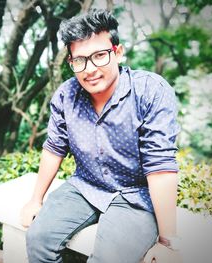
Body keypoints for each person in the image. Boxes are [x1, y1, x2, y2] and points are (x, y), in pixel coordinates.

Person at [21, 9, 182, 263]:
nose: (91, 69)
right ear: (71, 63)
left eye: (99, 56)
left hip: (135, 196)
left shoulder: (151, 91)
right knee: (38, 239)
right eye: (80, 60)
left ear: (117, 52)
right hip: (85, 186)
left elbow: (160, 166)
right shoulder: (66, 96)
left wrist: (168, 243)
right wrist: (35, 200)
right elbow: (54, 147)